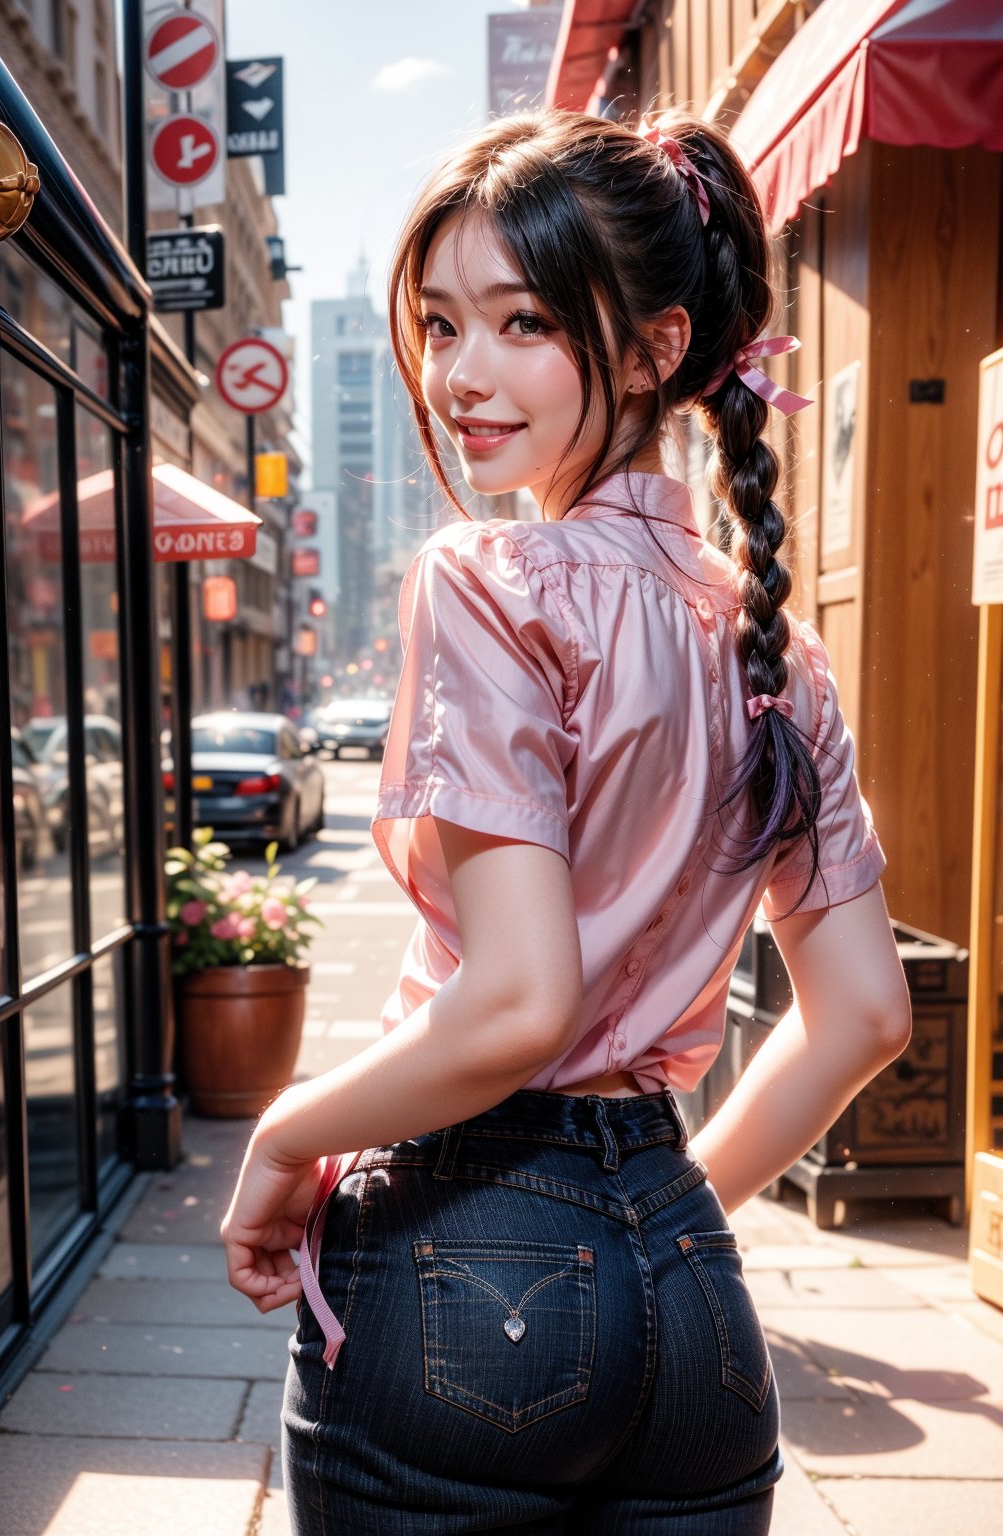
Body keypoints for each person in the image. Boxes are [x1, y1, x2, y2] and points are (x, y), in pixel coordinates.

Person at [221, 108, 911, 1534]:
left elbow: (519, 1003)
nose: (462, 375)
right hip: (689, 1295)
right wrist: (653, 1217)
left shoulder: (490, 576)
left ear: (660, 346)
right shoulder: (775, 644)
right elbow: (864, 1018)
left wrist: (287, 1134)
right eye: (438, 325)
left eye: (522, 321)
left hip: (460, 1252)